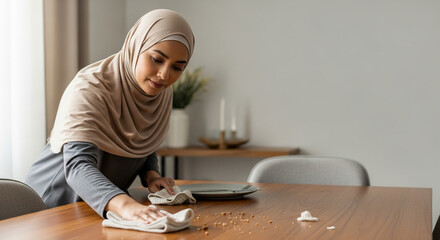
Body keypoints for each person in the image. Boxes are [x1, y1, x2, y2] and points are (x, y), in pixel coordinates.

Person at [25, 9, 194, 223]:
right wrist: (126, 205)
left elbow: (143, 140)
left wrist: (151, 175)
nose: (164, 75)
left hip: (97, 212)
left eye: (178, 67)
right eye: (156, 59)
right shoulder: (90, 88)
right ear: (136, 45)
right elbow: (78, 166)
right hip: (50, 210)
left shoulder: (159, 92)